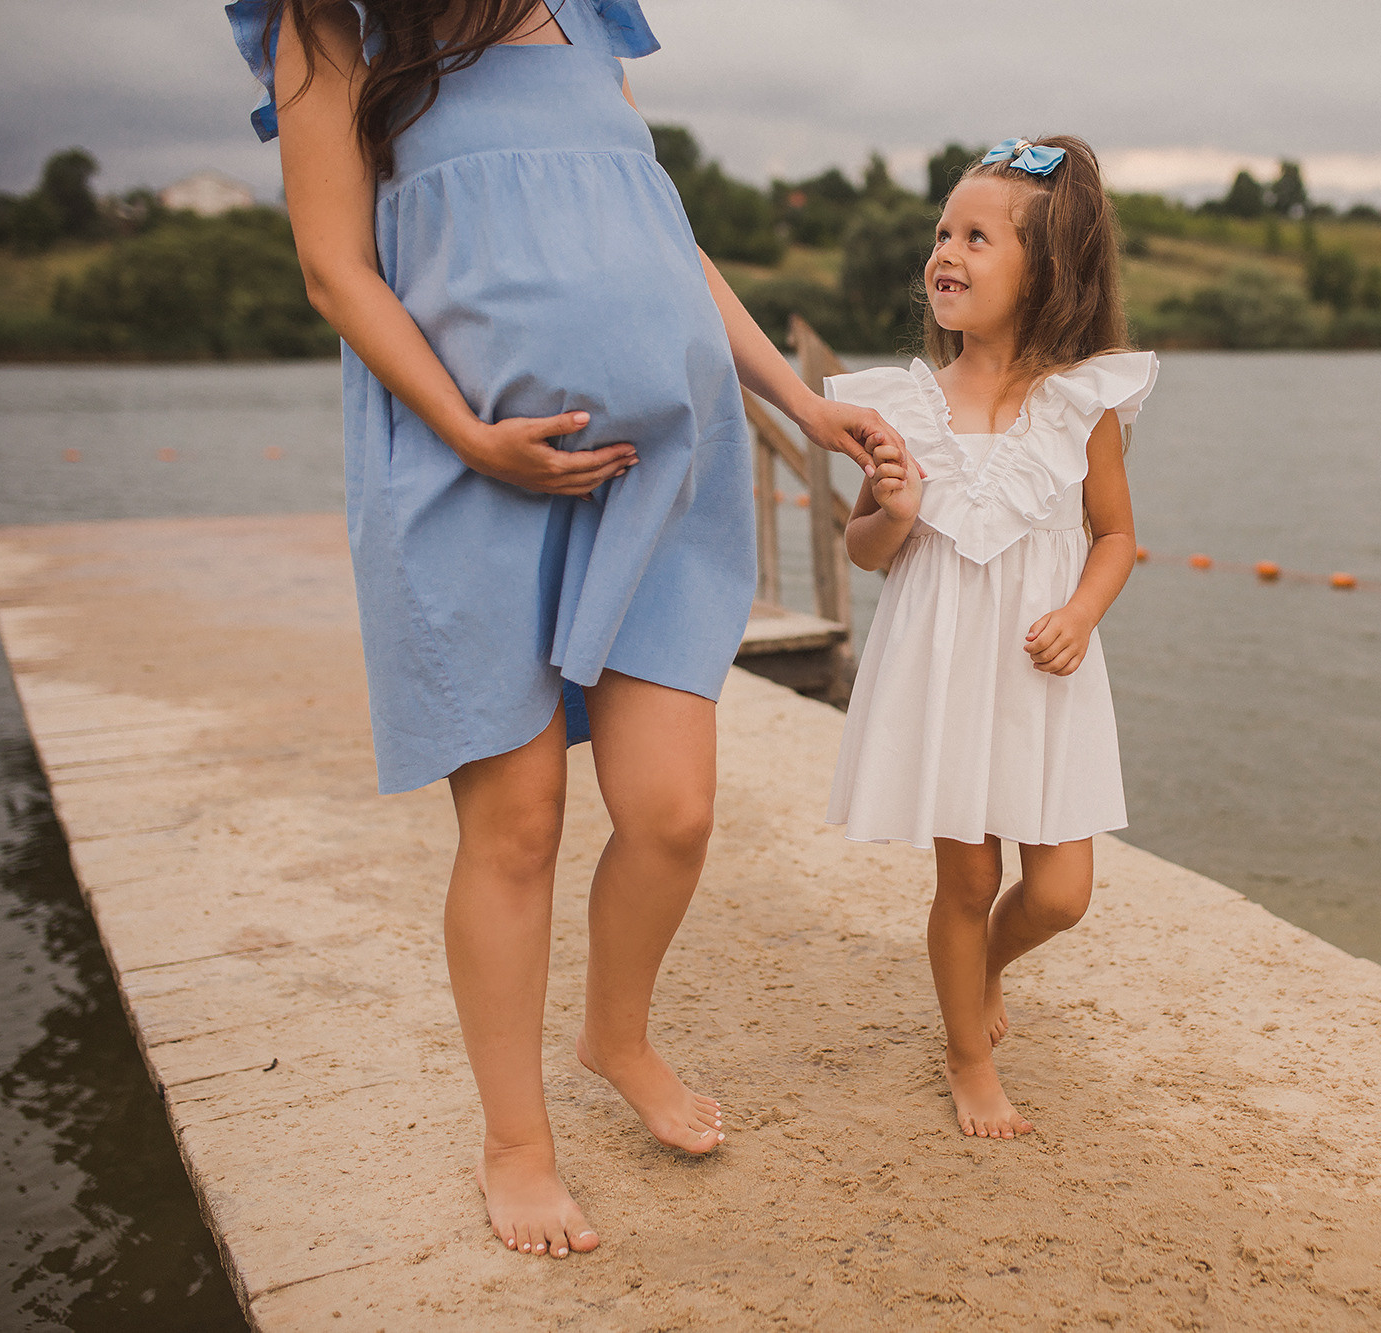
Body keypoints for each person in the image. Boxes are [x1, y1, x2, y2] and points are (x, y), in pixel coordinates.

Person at [225, 0, 899, 1258]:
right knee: (519, 822)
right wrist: (470, 434)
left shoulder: (584, 18)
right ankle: (515, 1143)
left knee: (671, 813)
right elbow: (334, 268)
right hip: (466, 471)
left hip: (657, 472)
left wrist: (800, 401)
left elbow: (661, 231)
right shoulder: (331, 24)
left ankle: (614, 1035)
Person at [824, 136, 1155, 1139]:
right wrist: (894, 510)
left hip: (1041, 675)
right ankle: (967, 1055)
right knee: (967, 880)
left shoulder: (1080, 405)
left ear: (1045, 270)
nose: (946, 252)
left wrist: (1082, 611)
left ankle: (984, 970)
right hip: (944, 674)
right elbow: (863, 551)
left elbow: (1116, 537)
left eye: (977, 237)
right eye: (942, 233)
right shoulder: (902, 408)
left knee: (1059, 893)